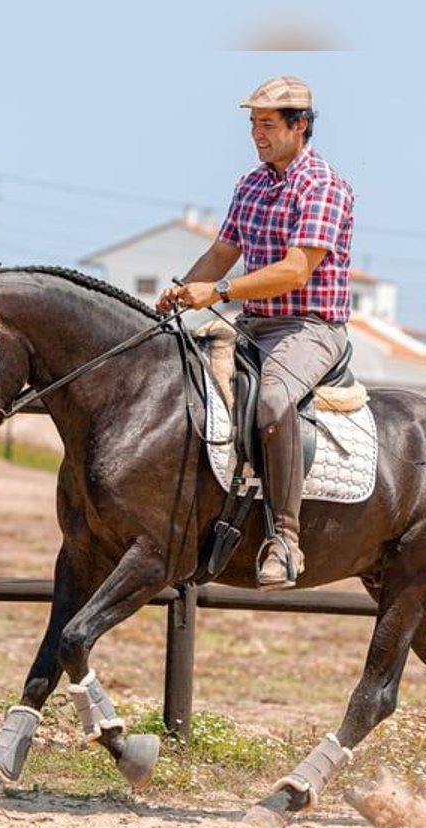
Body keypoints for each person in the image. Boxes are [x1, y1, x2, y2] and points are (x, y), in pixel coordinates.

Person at [157, 75, 355, 590]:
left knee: (271, 401)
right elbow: (223, 251)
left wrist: (218, 294)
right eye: (253, 124)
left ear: (301, 126)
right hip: (253, 324)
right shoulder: (250, 184)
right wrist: (182, 290)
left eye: (267, 124)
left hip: (310, 327)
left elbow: (294, 271)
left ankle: (285, 541)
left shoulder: (323, 187)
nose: (256, 134)